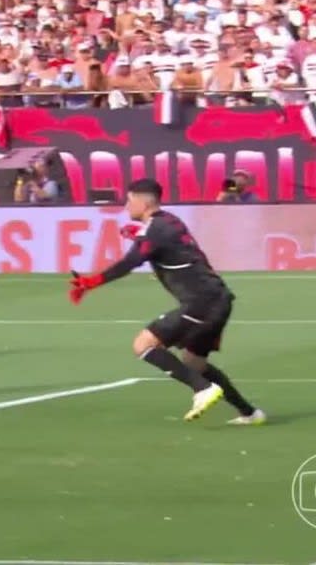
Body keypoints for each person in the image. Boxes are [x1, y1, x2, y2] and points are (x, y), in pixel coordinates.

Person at [68, 178, 264, 425]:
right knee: (195, 363)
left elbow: (130, 263)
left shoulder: (154, 230)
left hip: (201, 302)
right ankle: (249, 413)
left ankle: (202, 389)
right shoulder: (169, 220)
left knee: (144, 344)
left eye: (129, 201)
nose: (127, 206)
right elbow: (163, 246)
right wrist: (139, 236)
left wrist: (91, 282)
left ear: (142, 201)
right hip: (219, 299)